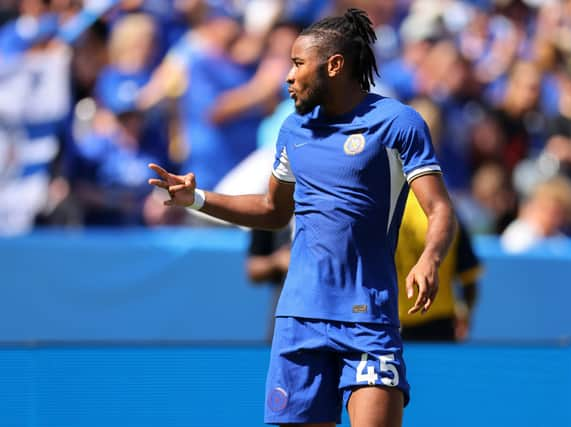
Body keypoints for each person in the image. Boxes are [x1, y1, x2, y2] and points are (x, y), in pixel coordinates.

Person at [148, 8, 456, 427]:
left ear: (333, 65)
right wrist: (197, 198)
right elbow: (272, 211)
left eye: (297, 64)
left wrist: (429, 258)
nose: (287, 77)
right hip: (298, 320)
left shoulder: (397, 124)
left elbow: (439, 208)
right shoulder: (294, 131)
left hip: (368, 319)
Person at [396, 191, 481, 342]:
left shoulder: (383, 207)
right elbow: (469, 277)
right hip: (440, 323)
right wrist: (466, 314)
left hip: (390, 320)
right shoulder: (447, 212)